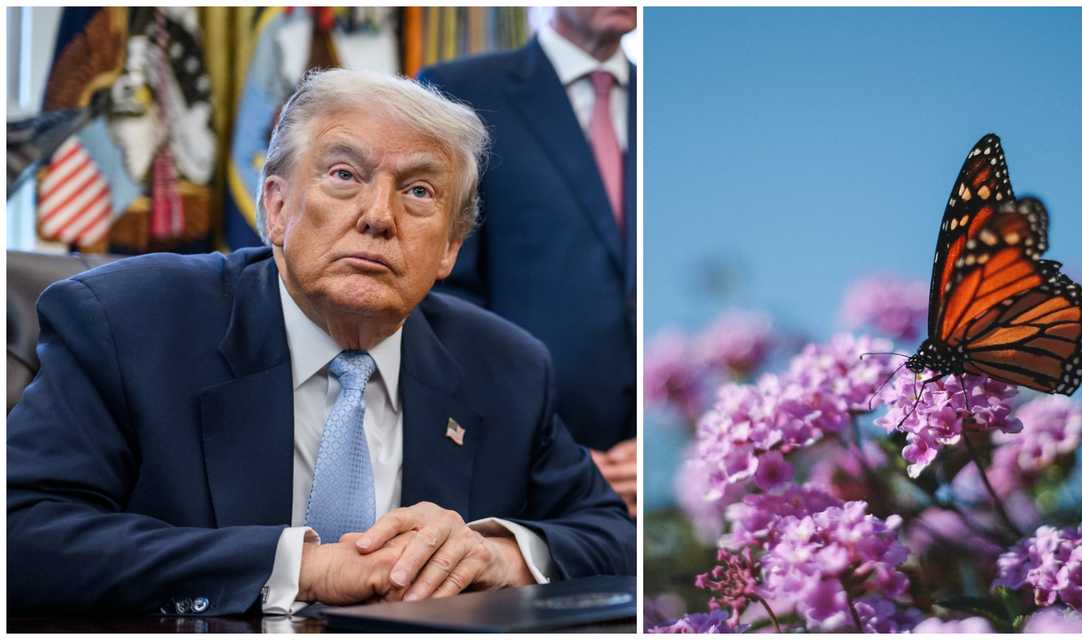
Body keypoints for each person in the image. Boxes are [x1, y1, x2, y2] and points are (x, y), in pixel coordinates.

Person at [6, 68, 633, 617]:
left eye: (419, 191)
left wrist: (497, 556)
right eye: (344, 175)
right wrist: (302, 569)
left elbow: (614, 538)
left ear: (449, 248)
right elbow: (23, 535)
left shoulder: (507, 367)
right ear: (276, 207)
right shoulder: (127, 322)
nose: (379, 216)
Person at [419, 7, 638, 516]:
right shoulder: (462, 91)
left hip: (651, 467)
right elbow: (442, 294)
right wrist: (558, 455)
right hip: (520, 468)